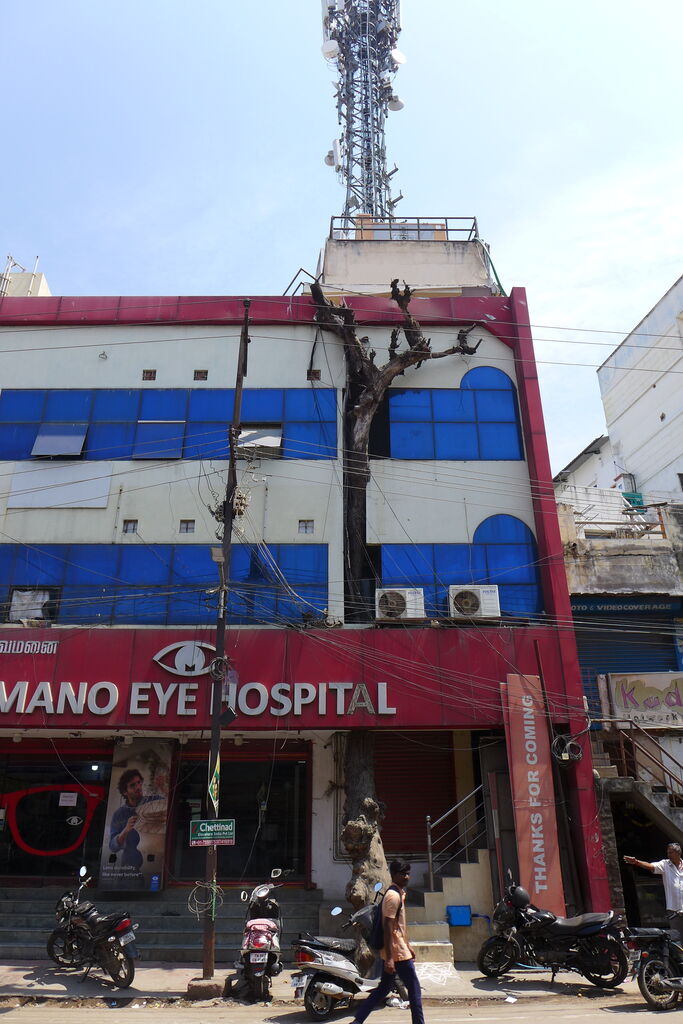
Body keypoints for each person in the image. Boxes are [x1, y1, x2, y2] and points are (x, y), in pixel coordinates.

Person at [352, 859, 425, 1024]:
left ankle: (357, 1021)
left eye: (408, 874)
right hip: (397, 952)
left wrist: (408, 946)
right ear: (393, 875)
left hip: (398, 949)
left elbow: (399, 927)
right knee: (414, 989)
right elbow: (388, 928)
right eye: (402, 874)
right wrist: (391, 958)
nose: (406, 877)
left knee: (383, 989)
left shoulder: (397, 893)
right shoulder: (393, 896)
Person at [108, 768, 165, 871]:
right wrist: (126, 830)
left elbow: (171, 807)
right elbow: (113, 847)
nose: (138, 787)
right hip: (130, 867)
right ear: (125, 792)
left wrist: (162, 787)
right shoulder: (119, 814)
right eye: (132, 785)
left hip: (156, 862)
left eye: (139, 783)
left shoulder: (154, 801)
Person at [624, 843, 683, 939]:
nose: (668, 855)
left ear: (678, 853)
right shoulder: (665, 864)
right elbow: (650, 866)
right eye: (668, 852)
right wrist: (636, 862)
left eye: (671, 853)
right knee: (677, 937)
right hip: (674, 910)